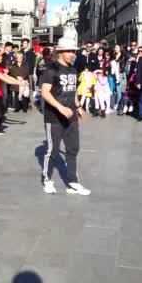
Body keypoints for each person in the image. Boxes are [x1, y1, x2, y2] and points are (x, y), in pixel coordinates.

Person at [40, 37, 90, 196]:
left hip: (71, 116)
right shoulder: (51, 69)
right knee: (52, 150)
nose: (72, 54)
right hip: (54, 117)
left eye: (73, 51)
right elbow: (45, 93)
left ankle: (73, 182)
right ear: (60, 52)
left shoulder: (73, 70)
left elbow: (73, 91)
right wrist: (60, 108)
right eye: (68, 51)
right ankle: (47, 180)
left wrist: (78, 106)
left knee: (73, 149)